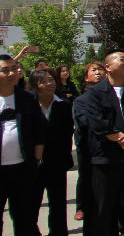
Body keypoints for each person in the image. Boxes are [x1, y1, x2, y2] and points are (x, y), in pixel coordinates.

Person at [82, 52, 124, 236]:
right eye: (122, 60)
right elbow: (98, 123)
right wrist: (123, 139)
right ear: (108, 67)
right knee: (105, 209)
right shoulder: (95, 93)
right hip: (106, 160)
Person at [0, 54, 45, 236]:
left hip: (22, 168)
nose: (11, 73)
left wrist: (36, 158)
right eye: (5, 70)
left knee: (23, 217)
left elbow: (39, 129)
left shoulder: (27, 98)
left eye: (14, 68)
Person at [30, 68, 73, 236]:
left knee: (58, 205)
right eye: (44, 81)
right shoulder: (29, 106)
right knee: (31, 204)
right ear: (35, 86)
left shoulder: (63, 105)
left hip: (57, 162)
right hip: (34, 163)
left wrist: (64, 158)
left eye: (52, 80)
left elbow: (67, 134)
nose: (50, 84)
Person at [72, 61, 106, 225]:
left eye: (100, 69)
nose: (98, 72)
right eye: (94, 70)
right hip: (87, 146)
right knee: (86, 177)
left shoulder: (112, 97)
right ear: (86, 77)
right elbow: (85, 122)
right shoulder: (81, 100)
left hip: (107, 147)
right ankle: (82, 206)